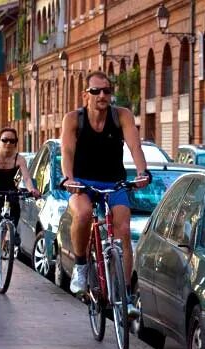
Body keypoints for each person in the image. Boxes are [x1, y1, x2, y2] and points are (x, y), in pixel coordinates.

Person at [60, 71, 150, 306]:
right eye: (96, 91)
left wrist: (142, 172)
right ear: (85, 95)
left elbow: (135, 147)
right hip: (82, 183)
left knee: (124, 227)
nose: (102, 95)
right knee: (83, 213)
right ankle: (80, 265)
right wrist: (68, 178)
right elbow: (67, 153)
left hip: (114, 182)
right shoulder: (73, 119)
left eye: (107, 91)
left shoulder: (121, 116)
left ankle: (126, 293)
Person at [0, 127, 39, 280]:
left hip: (10, 191)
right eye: (5, 140)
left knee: (15, 211)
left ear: (16, 143)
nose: (8, 144)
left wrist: (32, 189)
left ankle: (8, 236)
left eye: (12, 141)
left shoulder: (19, 159)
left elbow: (27, 178)